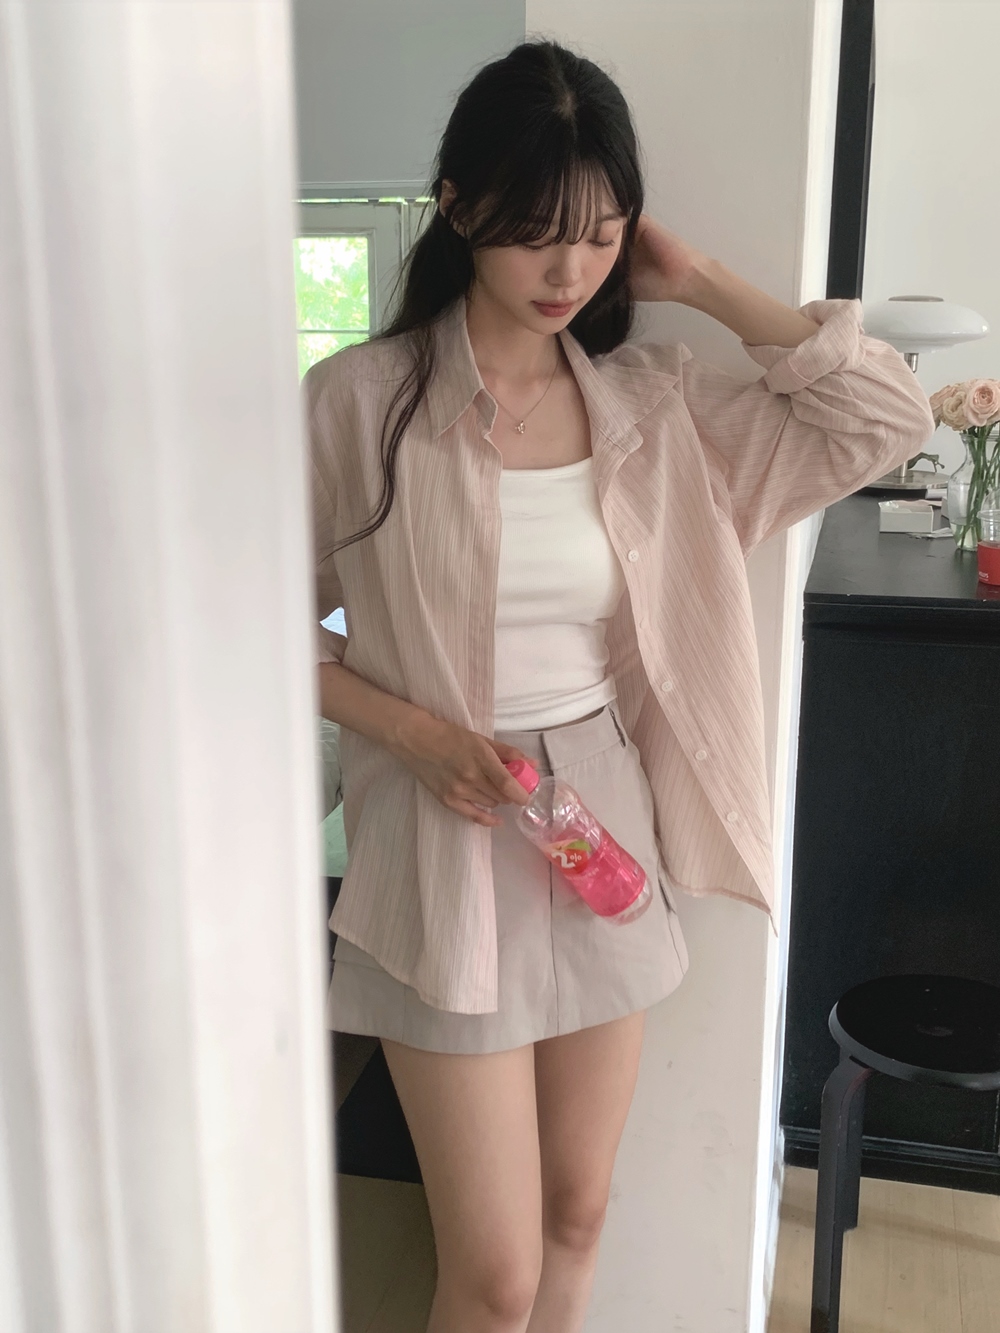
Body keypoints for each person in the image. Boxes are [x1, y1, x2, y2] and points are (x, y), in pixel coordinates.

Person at [305, 39, 933, 1333]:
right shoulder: (359, 403)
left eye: (599, 237)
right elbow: (246, 621)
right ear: (458, 205)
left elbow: (884, 422)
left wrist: (697, 281)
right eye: (538, 233)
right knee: (493, 1274)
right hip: (438, 817)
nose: (569, 272)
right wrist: (410, 733)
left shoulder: (653, 408)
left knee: (579, 1214)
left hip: (596, 809)